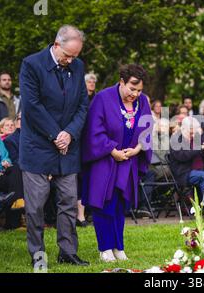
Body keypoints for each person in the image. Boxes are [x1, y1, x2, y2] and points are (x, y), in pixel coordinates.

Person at [19, 25, 89, 266]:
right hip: (37, 146)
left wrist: (69, 133)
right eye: (67, 55)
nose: (70, 61)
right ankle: (38, 255)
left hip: (67, 146)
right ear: (56, 44)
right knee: (36, 206)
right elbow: (32, 105)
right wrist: (56, 134)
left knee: (69, 201)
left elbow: (82, 105)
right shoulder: (31, 64)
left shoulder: (77, 67)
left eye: (75, 56)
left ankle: (68, 252)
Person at [81, 64, 153, 263]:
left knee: (121, 205)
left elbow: (146, 129)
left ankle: (118, 246)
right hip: (104, 160)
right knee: (104, 204)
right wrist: (112, 150)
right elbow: (94, 130)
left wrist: (138, 149)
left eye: (139, 90)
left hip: (128, 160)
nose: (135, 94)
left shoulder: (143, 102)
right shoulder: (102, 98)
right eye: (132, 88)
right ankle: (105, 248)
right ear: (122, 82)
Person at [169, 117, 204, 211]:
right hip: (184, 173)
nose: (193, 134)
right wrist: (200, 148)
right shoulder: (176, 140)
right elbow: (182, 156)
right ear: (184, 129)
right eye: (191, 131)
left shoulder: (195, 138)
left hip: (200, 170)